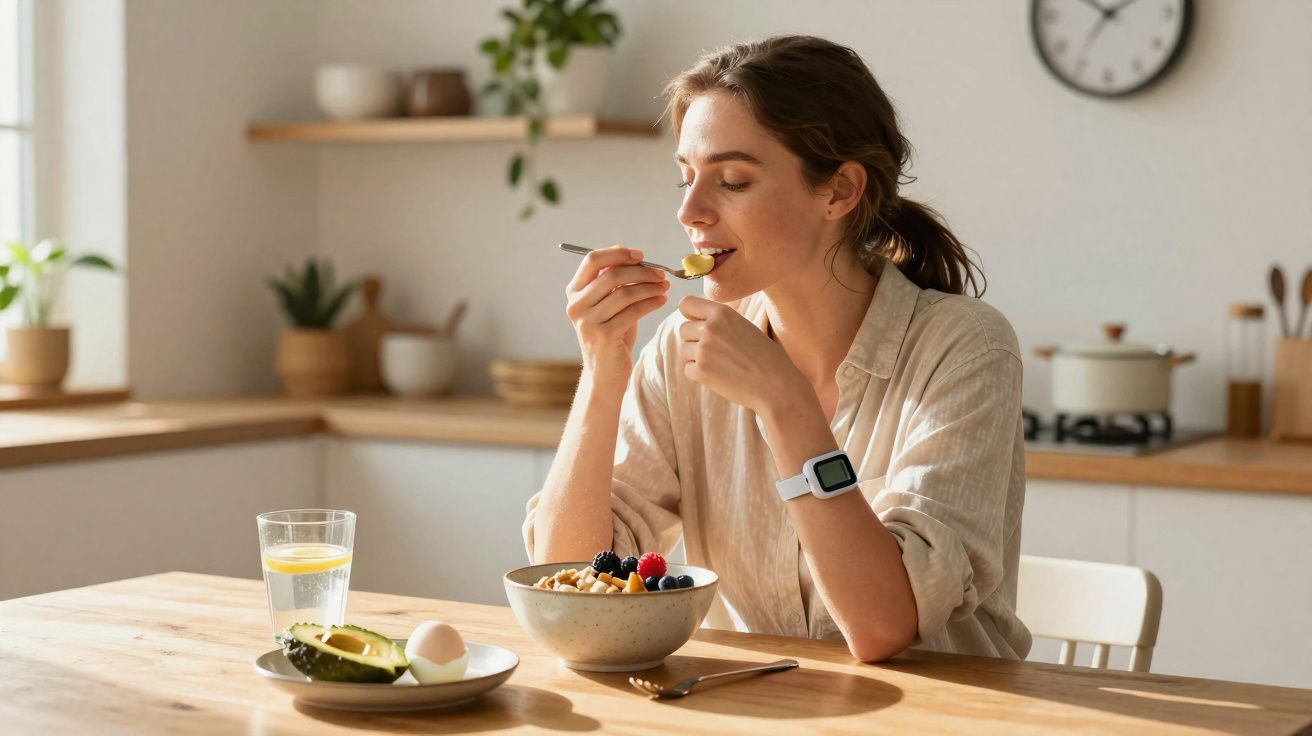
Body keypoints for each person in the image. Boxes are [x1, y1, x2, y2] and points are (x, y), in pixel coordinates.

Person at [523, 35, 1030, 662]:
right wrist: (602, 373)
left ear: (839, 192)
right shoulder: (683, 351)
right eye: (685, 178)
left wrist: (787, 405)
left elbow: (882, 626)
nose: (690, 211)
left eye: (732, 180)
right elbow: (573, 585)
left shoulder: (965, 348)